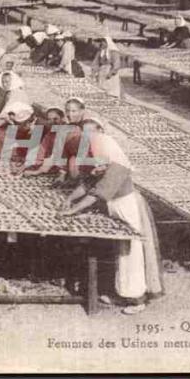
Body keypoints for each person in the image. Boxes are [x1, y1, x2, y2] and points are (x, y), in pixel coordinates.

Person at [57, 117, 164, 314]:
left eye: (93, 131)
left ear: (101, 131)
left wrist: (73, 210)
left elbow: (99, 192)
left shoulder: (118, 162)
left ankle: (137, 300)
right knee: (119, 251)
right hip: (115, 206)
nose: (89, 136)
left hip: (128, 206)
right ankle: (121, 294)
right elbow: (88, 183)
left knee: (131, 253)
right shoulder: (100, 154)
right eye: (85, 132)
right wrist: (70, 199)